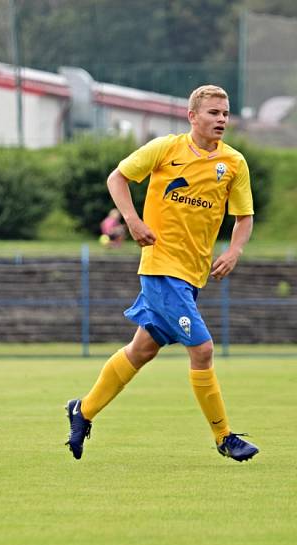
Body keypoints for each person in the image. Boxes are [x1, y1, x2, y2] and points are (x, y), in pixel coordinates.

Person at [65, 85, 259, 462]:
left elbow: (244, 217)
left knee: (142, 350)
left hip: (191, 275)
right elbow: (116, 178)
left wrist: (234, 250)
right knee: (202, 349)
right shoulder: (165, 148)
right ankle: (224, 437)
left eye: (225, 113)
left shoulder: (233, 163)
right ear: (193, 117)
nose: (221, 119)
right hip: (160, 269)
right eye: (214, 113)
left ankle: (82, 411)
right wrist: (133, 221)